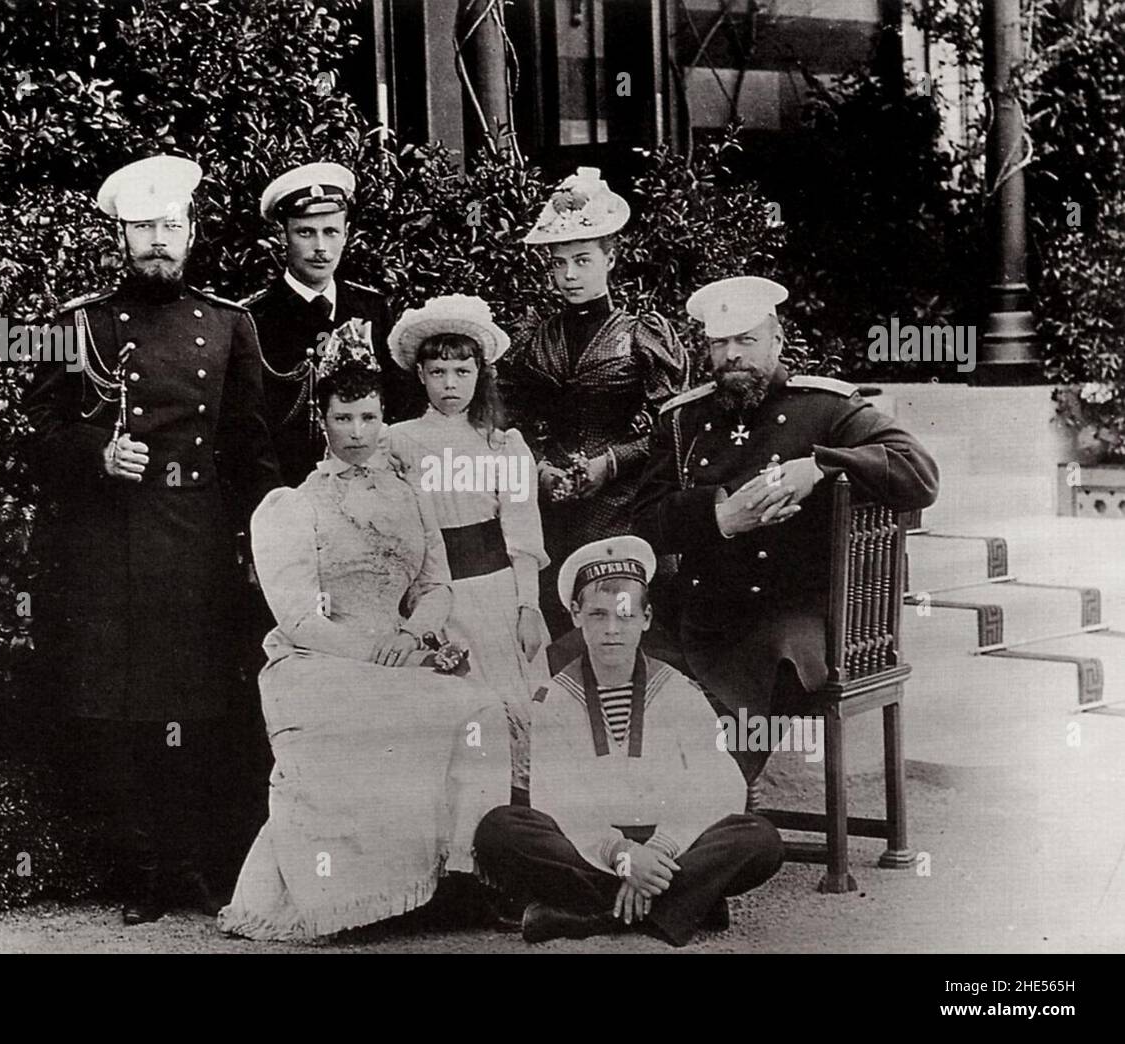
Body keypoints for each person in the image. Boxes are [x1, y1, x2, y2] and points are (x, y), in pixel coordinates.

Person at [23, 154, 282, 924]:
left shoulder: (231, 323)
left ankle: (190, 867)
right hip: (111, 544)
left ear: (193, 232)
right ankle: (140, 871)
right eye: (143, 228)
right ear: (120, 236)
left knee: (197, 705)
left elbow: (251, 446)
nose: (158, 242)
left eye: (170, 226)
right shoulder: (77, 324)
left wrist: (268, 541)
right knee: (122, 709)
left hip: (198, 539)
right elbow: (33, 433)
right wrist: (95, 453)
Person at [218, 319, 511, 941]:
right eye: (344, 418)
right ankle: (352, 897)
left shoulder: (411, 496)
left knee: (481, 707)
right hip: (318, 659)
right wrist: (376, 654)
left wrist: (413, 638)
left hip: (400, 651)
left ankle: (458, 878)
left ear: (384, 420)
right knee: (373, 710)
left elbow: (435, 587)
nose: (357, 432)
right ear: (322, 421)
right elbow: (297, 617)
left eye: (369, 418)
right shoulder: (293, 506)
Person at [633, 276, 940, 783]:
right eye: (718, 343)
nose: (731, 356)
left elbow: (919, 473)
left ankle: (712, 801)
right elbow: (645, 523)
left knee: (750, 696)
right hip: (700, 610)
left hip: (796, 614)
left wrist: (819, 467)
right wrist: (720, 518)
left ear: (777, 341)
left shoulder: (825, 409)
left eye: (746, 341)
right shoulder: (682, 419)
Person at [474, 536, 783, 946]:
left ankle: (583, 917)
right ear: (576, 615)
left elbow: (720, 783)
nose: (612, 630)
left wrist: (658, 850)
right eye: (598, 615)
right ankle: (683, 903)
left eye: (625, 616)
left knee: (761, 839)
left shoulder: (677, 691)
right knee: (500, 830)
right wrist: (621, 856)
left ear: (647, 618)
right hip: (591, 845)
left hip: (672, 843)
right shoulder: (556, 697)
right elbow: (555, 797)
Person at [499, 166, 688, 643]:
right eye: (558, 264)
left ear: (610, 258)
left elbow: (674, 430)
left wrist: (612, 461)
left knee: (617, 618)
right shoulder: (534, 339)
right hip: (550, 505)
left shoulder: (641, 335)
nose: (568, 276)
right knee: (556, 622)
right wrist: (539, 467)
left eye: (582, 261)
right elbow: (509, 420)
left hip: (623, 506)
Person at [384, 294, 550, 799]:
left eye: (462, 371)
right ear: (420, 376)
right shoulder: (397, 441)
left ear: (481, 373)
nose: (450, 384)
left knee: (512, 708)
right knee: (450, 712)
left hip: (497, 594)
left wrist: (527, 605)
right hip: (434, 596)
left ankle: (519, 820)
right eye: (438, 372)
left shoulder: (502, 444)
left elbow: (521, 532)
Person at [246, 161, 418, 485]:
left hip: (370, 486)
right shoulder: (254, 319)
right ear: (282, 234)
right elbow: (249, 430)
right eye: (306, 233)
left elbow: (400, 402)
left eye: (331, 232)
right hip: (291, 491)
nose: (320, 248)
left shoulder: (373, 308)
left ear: (346, 234)